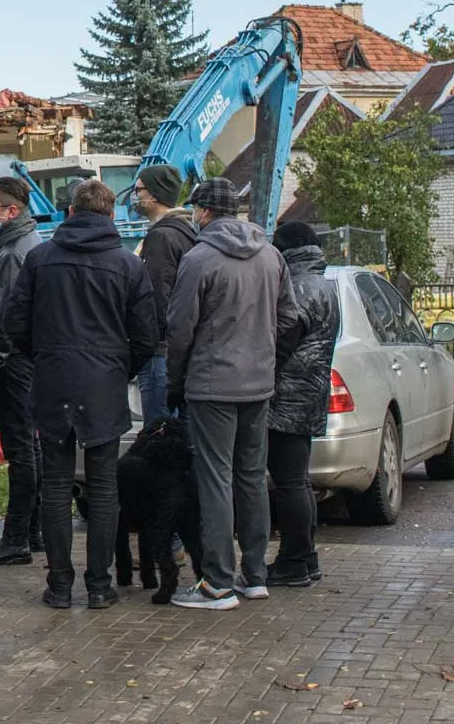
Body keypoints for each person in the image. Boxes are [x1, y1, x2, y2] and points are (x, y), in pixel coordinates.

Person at [6, 179, 156, 610]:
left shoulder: (41, 258)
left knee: (56, 483)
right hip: (104, 382)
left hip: (54, 379)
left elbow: (15, 322)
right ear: (111, 216)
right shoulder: (129, 265)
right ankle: (99, 584)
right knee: (104, 485)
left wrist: (43, 357)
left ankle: (58, 585)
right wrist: (118, 368)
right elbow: (146, 336)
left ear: (71, 213)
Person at [165, 178, 298, 611]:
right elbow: (289, 318)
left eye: (196, 210)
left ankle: (217, 583)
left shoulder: (199, 259)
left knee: (216, 479)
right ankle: (254, 575)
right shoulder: (271, 255)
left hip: (211, 385)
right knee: (252, 476)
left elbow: (180, 330)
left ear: (204, 211)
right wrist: (263, 355)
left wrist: (176, 380)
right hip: (258, 384)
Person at [266, 221, 342, 588]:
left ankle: (294, 560)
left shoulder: (295, 287)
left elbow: (281, 342)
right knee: (298, 480)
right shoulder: (325, 284)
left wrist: (261, 375)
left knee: (289, 483)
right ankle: (306, 557)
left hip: (286, 398)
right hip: (311, 393)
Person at [0, 176, 43, 565]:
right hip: (26, 359)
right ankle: (32, 531)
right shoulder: (27, 242)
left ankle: (17, 536)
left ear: (12, 211)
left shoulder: (11, 253)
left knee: (21, 449)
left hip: (14, 363)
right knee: (30, 447)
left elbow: (3, 315)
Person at [133, 163, 199, 428]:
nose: (136, 196)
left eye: (139, 190)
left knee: (160, 432)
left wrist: (144, 340)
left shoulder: (161, 238)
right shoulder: (184, 232)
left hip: (160, 351)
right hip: (178, 348)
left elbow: (157, 294)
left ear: (155, 194)